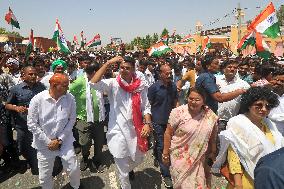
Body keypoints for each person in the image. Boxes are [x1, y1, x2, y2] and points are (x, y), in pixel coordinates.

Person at [90, 56, 151, 189]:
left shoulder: (140, 85)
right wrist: (108, 62)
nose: (123, 70)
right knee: (122, 170)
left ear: (133, 69)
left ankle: (129, 169)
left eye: (127, 68)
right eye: (122, 67)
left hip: (135, 129)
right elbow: (93, 83)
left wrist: (147, 123)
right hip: (117, 130)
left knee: (139, 158)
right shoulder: (113, 83)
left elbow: (146, 106)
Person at [212, 87, 284, 189]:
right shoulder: (237, 123)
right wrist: (238, 184)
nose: (263, 109)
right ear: (249, 105)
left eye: (268, 107)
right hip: (246, 179)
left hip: (269, 178)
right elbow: (234, 156)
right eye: (259, 105)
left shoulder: (270, 124)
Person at [27, 73, 80, 189]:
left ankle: (76, 186)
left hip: (65, 141)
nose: (68, 88)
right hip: (44, 144)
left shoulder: (69, 98)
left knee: (73, 168)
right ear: (55, 85)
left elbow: (72, 120)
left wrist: (60, 140)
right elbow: (31, 124)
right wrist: (48, 142)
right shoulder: (38, 100)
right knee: (45, 175)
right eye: (65, 85)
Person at [162, 87, 218, 189]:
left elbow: (212, 137)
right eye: (191, 98)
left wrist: (212, 153)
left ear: (203, 101)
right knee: (182, 185)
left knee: (198, 185)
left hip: (199, 158)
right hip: (179, 157)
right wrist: (165, 153)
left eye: (197, 100)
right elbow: (168, 133)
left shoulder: (210, 116)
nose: (193, 102)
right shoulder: (178, 112)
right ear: (187, 98)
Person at [5, 66, 46, 175]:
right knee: (22, 147)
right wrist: (17, 108)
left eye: (34, 74)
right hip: (22, 125)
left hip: (38, 124)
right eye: (30, 74)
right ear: (23, 76)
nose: (33, 76)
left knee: (38, 148)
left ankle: (38, 166)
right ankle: (30, 161)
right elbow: (7, 105)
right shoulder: (16, 89)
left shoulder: (41, 87)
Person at [69, 63, 106, 172]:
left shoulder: (101, 82)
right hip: (84, 120)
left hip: (99, 119)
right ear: (94, 73)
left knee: (99, 143)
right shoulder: (79, 82)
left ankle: (97, 160)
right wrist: (72, 114)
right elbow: (67, 95)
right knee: (85, 143)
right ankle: (85, 158)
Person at [147, 64, 178, 188]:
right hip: (157, 121)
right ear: (160, 74)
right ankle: (166, 174)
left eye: (170, 73)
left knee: (169, 145)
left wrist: (179, 114)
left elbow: (175, 101)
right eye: (167, 73)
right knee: (162, 145)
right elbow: (148, 105)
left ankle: (158, 155)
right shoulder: (154, 88)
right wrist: (148, 122)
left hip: (170, 122)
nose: (169, 75)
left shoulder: (173, 86)